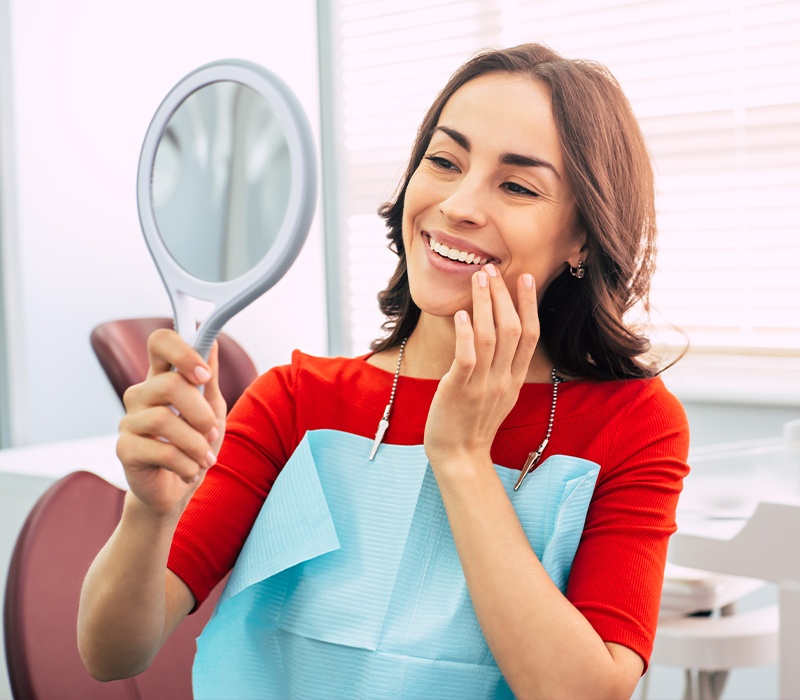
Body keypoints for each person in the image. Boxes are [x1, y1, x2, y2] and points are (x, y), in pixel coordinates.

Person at [78, 43, 689, 700]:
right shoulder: (295, 401)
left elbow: (582, 693)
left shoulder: (634, 425)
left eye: (516, 185)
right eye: (444, 161)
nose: (458, 204)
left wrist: (459, 455)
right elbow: (112, 652)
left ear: (583, 238)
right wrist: (147, 513)